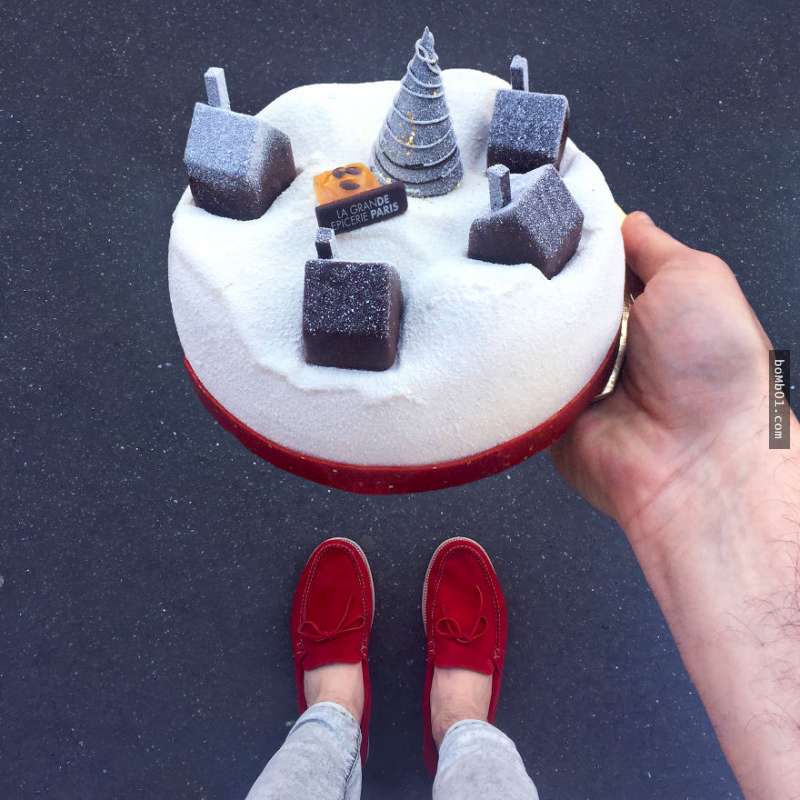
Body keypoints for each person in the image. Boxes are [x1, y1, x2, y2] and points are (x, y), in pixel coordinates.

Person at [244, 212, 799, 800]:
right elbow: (776, 378)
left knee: (304, 772)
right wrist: (763, 411)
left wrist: (761, 400)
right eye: (778, 386)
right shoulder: (773, 383)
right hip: (736, 430)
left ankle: (343, 715)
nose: (776, 379)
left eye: (777, 391)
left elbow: (775, 373)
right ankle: (457, 726)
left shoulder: (773, 374)